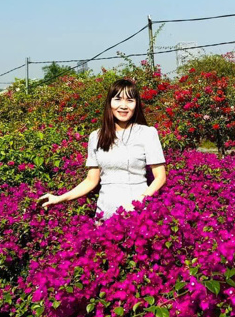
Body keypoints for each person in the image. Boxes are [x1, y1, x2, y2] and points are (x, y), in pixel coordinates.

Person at [38, 78, 167, 219]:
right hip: (104, 218)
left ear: (136, 105)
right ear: (109, 103)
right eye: (118, 99)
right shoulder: (96, 137)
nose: (123, 106)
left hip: (137, 218)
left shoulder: (147, 133)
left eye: (130, 100)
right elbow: (91, 181)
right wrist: (59, 199)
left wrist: (138, 203)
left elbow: (160, 177)